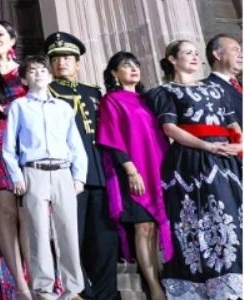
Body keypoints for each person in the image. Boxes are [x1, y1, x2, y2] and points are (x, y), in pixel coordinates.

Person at [148, 40, 242, 299]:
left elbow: (232, 122)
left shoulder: (215, 89)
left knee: (233, 217)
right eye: (187, 53)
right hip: (192, 161)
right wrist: (207, 147)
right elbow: (170, 128)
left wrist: (239, 144)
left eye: (195, 53)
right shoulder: (164, 91)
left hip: (228, 160)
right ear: (172, 59)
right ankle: (207, 285)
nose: (194, 57)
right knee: (203, 220)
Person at [2, 55, 87, 300]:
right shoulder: (19, 106)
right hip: (33, 171)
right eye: (33, 71)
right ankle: (44, 290)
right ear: (25, 79)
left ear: (50, 76)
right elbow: (9, 147)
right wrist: (17, 176)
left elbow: (75, 144)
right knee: (38, 232)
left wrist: (78, 176)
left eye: (42, 70)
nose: (38, 74)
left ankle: (72, 289)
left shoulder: (63, 107)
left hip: (62, 171)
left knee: (68, 231)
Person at [43, 31, 118, 299]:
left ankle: (107, 293)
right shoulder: (47, 92)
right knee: (72, 237)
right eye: (56, 58)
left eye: (67, 57)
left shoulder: (93, 92)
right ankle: (80, 291)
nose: (62, 62)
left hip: (100, 173)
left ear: (77, 63)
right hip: (68, 176)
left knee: (105, 240)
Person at [96, 52, 170, 300]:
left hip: (157, 168)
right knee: (144, 227)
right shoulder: (111, 100)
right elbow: (112, 137)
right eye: (126, 65)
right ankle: (154, 287)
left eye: (136, 64)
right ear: (114, 73)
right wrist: (131, 171)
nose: (133, 68)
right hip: (135, 171)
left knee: (156, 227)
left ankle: (160, 276)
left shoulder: (149, 99)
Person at [0, 21, 30, 300]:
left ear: (12, 39)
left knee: (30, 215)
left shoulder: (27, 71)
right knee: (6, 214)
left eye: (0, 35)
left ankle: (40, 280)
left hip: (27, 145)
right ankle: (17, 287)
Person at [204, 34, 242, 122]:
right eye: (235, 50)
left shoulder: (240, 85)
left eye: (240, 50)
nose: (241, 55)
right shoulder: (207, 89)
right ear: (217, 54)